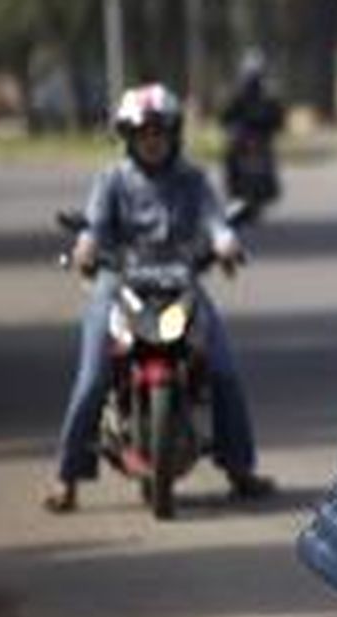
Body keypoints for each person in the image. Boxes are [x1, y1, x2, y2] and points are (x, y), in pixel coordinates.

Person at [43, 83, 275, 513]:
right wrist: (87, 247)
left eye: (159, 131)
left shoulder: (193, 179)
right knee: (93, 376)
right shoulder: (111, 179)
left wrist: (225, 243)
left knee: (223, 370)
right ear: (128, 138)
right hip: (119, 284)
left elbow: (215, 219)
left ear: (174, 134)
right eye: (142, 132)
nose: (152, 140)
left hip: (181, 283)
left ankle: (240, 468)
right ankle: (66, 478)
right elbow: (94, 227)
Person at [220, 50, 285, 203]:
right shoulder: (241, 92)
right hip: (246, 137)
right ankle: (235, 185)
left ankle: (262, 185)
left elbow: (278, 115)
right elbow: (227, 113)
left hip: (259, 137)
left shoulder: (267, 92)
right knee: (231, 155)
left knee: (265, 156)